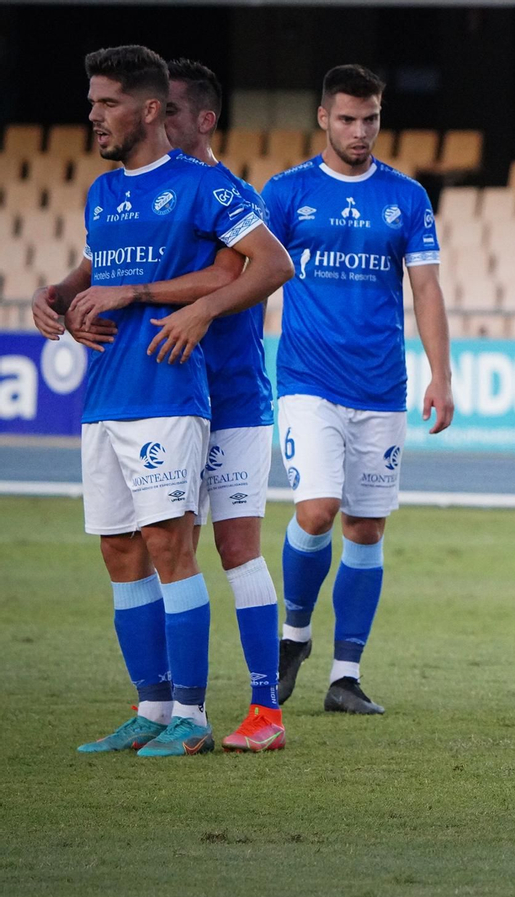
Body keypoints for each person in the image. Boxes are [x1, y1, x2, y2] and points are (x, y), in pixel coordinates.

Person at [31, 45, 292, 756]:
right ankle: (150, 704)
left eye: (107, 103)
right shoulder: (103, 193)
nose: (94, 117)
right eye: (92, 104)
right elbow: (100, 267)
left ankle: (207, 712)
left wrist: (188, 309)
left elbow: (263, 265)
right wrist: (54, 295)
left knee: (186, 545)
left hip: (182, 391)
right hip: (105, 393)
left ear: (152, 111)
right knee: (121, 549)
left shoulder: (206, 186)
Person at [264, 64, 455, 715]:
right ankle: (294, 633)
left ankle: (345, 675)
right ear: (323, 117)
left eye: (370, 118)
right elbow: (250, 270)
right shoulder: (286, 193)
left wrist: (442, 375)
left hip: (380, 386)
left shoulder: (406, 197)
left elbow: (425, 288)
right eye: (347, 118)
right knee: (316, 509)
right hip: (308, 380)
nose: (359, 130)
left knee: (366, 527)